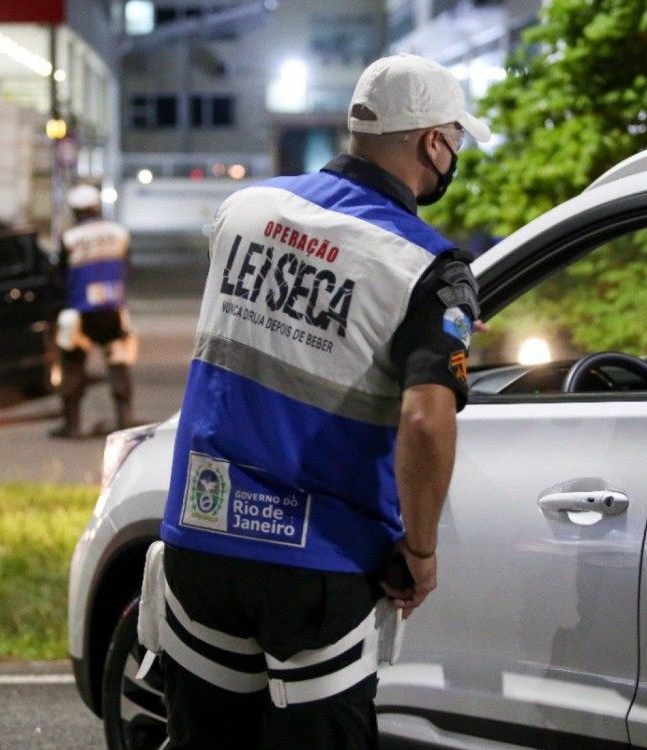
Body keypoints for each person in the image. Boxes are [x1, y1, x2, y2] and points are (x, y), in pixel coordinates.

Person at [140, 53, 492, 749]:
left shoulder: (245, 210)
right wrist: (419, 553)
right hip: (316, 566)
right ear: (432, 143)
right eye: (455, 138)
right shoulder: (426, 266)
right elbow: (425, 421)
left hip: (200, 540)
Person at [51, 184, 136, 438]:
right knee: (119, 363)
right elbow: (127, 266)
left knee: (73, 364)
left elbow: (61, 275)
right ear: (97, 206)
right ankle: (125, 420)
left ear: (75, 210)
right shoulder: (119, 233)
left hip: (80, 312)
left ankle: (72, 425)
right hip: (113, 310)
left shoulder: (70, 238)